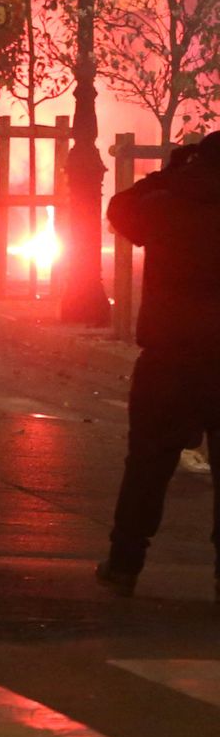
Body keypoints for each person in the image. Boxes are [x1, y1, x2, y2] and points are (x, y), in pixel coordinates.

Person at [96, 133, 220, 599]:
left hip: (169, 357)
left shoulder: (166, 203)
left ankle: (125, 564)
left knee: (147, 466)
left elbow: (120, 208)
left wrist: (171, 172)